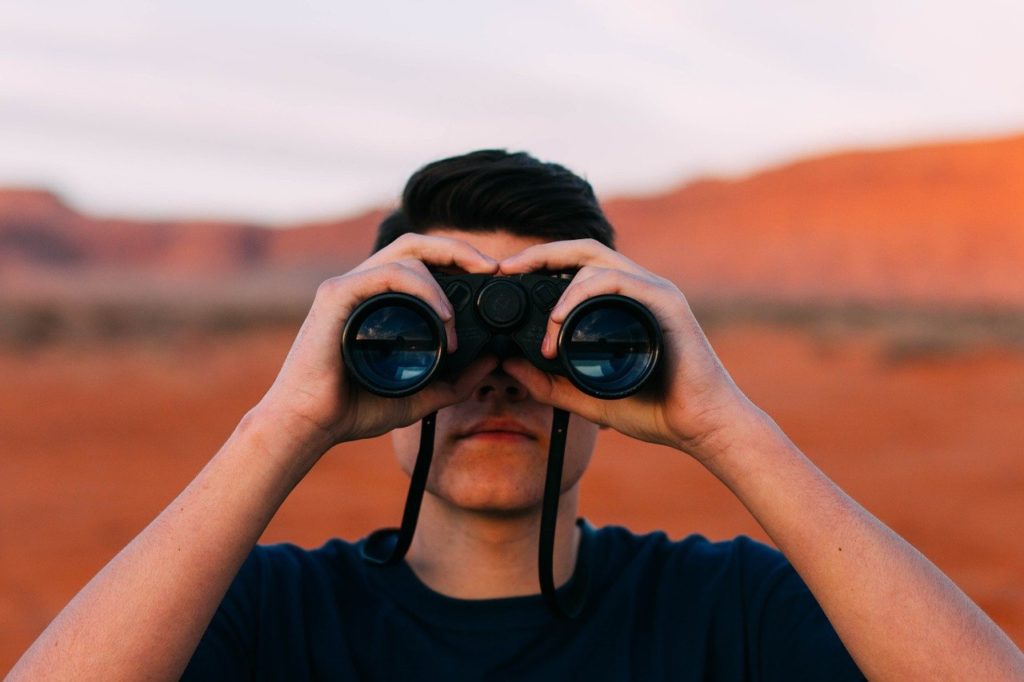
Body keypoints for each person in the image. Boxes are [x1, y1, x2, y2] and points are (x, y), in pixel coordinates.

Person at [9, 150, 1023, 681]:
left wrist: (728, 425)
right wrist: (283, 422)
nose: (495, 377)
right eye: (431, 339)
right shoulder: (263, 612)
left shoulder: (728, 608)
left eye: (555, 341)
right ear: (354, 350)